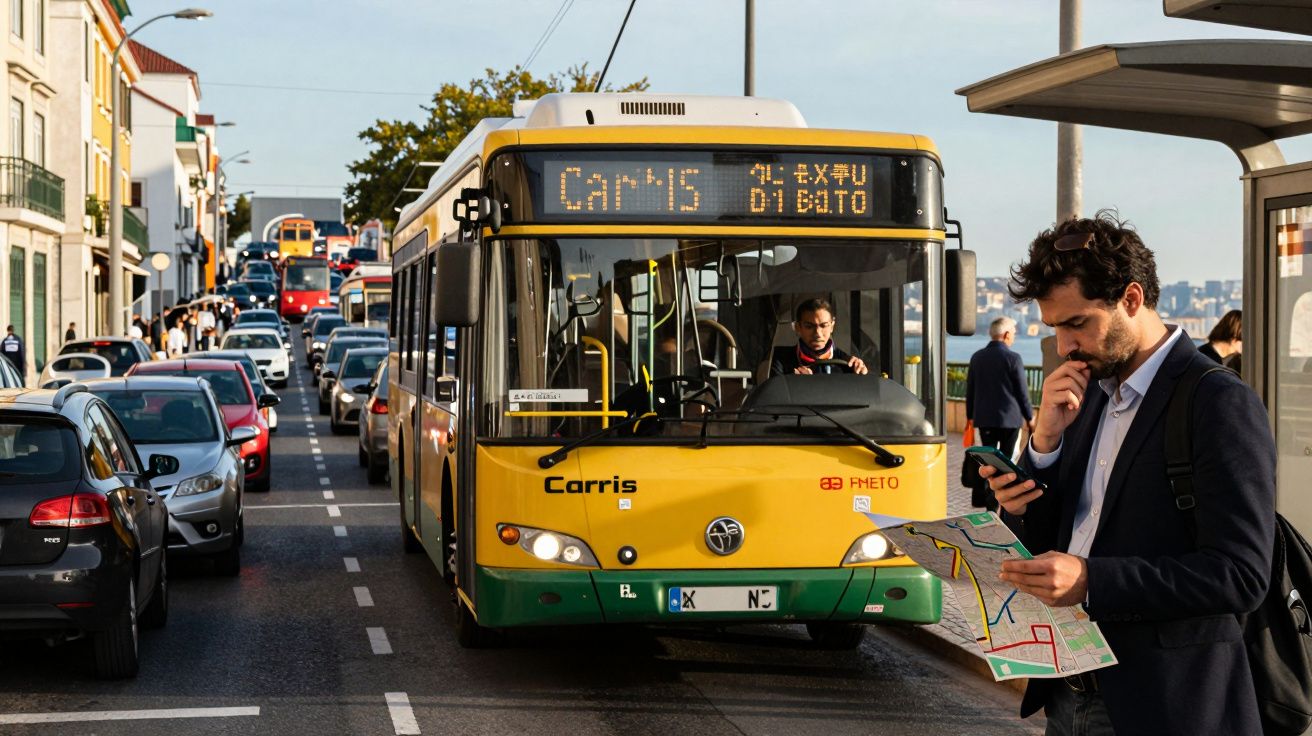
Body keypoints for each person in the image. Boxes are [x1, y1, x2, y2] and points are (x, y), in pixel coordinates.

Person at [981, 212, 1275, 735]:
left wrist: (1092, 581)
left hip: (1162, 705)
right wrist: (1042, 448)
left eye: (1077, 323)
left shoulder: (1217, 401)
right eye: (1054, 329)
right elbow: (1056, 537)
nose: (1064, 346)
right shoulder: (1088, 394)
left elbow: (1241, 574)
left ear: (1132, 299)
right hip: (1066, 692)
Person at [964, 316, 1034, 511]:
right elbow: (1022, 392)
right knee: (1007, 462)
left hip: (984, 419)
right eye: (1013, 333)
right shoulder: (1013, 358)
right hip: (1010, 420)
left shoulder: (977, 357)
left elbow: (970, 390)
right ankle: (1003, 504)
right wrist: (1030, 417)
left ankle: (990, 505)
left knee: (988, 462)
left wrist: (970, 417)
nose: (1014, 337)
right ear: (1006, 334)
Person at [769, 298, 868, 376]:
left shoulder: (849, 364)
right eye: (809, 326)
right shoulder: (779, 359)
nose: (817, 333)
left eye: (824, 326)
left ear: (832, 326)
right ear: (797, 327)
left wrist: (862, 374)